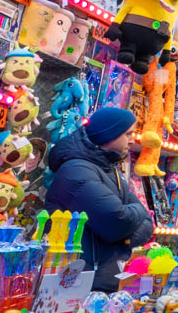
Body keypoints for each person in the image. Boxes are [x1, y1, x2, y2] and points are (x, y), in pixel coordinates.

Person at [44, 106, 155, 293]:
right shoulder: (76, 171)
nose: (132, 140)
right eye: (128, 134)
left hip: (101, 281)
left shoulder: (110, 170)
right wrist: (131, 222)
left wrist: (126, 238)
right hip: (76, 286)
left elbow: (147, 222)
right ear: (109, 134)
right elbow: (117, 220)